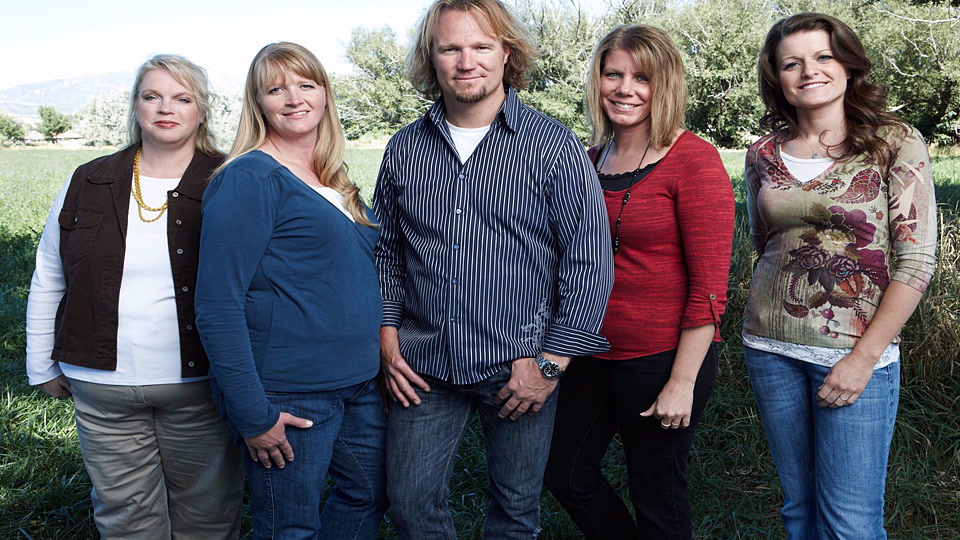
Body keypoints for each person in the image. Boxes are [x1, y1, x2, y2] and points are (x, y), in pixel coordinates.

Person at [373, 0, 614, 537]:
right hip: (423, 366)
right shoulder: (405, 148)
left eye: (481, 46)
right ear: (431, 58)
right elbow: (387, 252)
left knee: (515, 513)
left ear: (506, 53)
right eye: (450, 48)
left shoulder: (552, 145)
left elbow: (589, 263)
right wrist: (388, 339)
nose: (466, 62)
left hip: (520, 365)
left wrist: (550, 365)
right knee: (409, 506)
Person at [24, 54, 243, 539]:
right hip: (103, 386)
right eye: (152, 96)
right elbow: (49, 275)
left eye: (182, 98)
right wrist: (41, 365)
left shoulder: (233, 178)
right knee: (125, 518)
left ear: (202, 110)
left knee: (209, 516)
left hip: (204, 382)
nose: (166, 108)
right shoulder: (88, 179)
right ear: (136, 106)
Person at [743, 12, 937, 539]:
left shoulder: (894, 142)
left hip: (855, 356)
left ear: (848, 65)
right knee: (799, 509)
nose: (809, 71)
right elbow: (764, 242)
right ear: (778, 78)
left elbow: (916, 261)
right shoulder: (762, 153)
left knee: (850, 523)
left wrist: (862, 359)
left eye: (823, 56)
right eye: (792, 63)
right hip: (769, 348)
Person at [543, 24, 735, 539]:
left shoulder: (693, 160)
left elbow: (710, 288)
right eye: (613, 74)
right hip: (588, 351)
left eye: (642, 78)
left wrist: (681, 382)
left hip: (660, 358)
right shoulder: (587, 160)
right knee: (563, 470)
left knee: (656, 494)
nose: (625, 89)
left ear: (664, 85)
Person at [194, 42, 386, 539]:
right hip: (289, 391)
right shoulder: (248, 179)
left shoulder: (332, 178)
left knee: (367, 495)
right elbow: (217, 306)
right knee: (290, 526)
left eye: (306, 84)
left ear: (325, 94)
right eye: (276, 89)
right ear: (258, 102)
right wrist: (253, 415)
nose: (294, 98)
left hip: (358, 382)